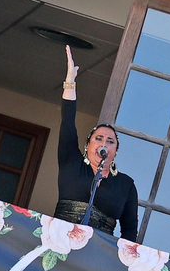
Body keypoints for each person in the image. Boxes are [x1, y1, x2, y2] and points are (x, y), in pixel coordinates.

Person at [55, 45, 140, 238]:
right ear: (88, 145)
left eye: (110, 141)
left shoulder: (125, 186)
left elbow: (129, 232)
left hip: (97, 257)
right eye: (99, 138)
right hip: (60, 240)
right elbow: (68, 123)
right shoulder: (71, 163)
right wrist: (70, 82)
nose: (104, 144)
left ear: (115, 151)